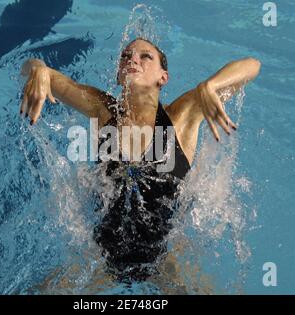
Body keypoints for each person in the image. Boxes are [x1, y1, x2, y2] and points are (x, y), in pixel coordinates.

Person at [20, 38, 261, 285]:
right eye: (126, 56)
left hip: (165, 259)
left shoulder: (180, 117)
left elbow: (253, 65)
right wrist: (38, 68)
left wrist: (210, 85)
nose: (132, 59)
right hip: (99, 257)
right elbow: (32, 71)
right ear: (118, 75)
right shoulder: (102, 109)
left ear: (163, 77)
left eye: (145, 56)